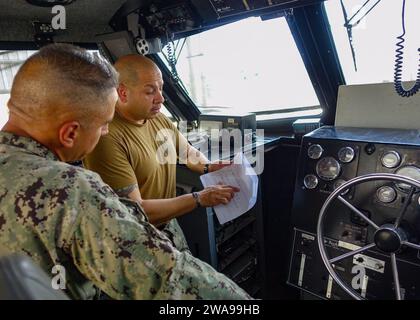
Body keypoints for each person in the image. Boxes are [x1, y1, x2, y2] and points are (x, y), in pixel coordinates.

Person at [0, 43, 250, 300]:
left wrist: (209, 166)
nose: (106, 132)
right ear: (70, 133)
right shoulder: (71, 190)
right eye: (103, 125)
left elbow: (186, 152)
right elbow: (165, 278)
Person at [84, 54, 235, 251]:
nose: (161, 99)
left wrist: (209, 167)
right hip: (136, 238)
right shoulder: (107, 137)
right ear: (122, 93)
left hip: (167, 223)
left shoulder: (157, 118)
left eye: (161, 88)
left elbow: (186, 151)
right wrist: (199, 198)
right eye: (150, 91)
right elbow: (135, 209)